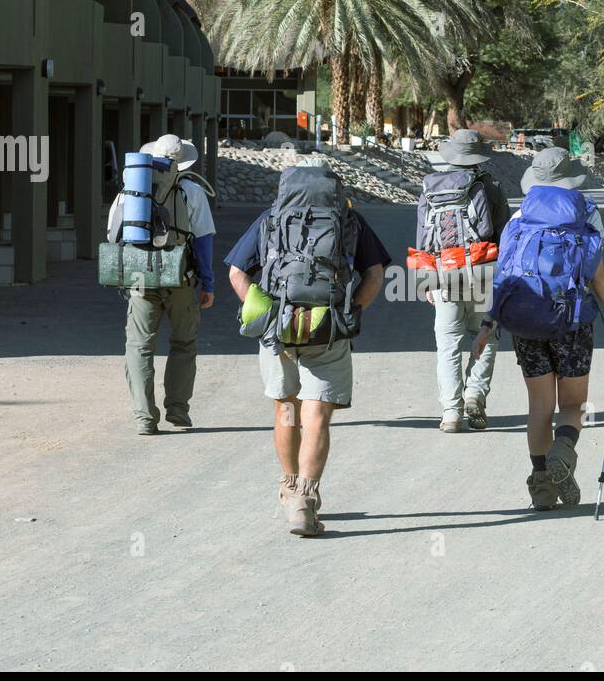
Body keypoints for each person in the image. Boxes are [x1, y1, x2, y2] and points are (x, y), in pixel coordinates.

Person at [225, 158, 390, 537]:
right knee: (316, 416)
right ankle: (306, 499)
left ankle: (288, 486)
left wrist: (263, 312)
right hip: (328, 328)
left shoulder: (271, 219)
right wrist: (351, 313)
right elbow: (376, 273)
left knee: (286, 409)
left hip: (278, 330)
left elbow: (236, 271)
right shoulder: (349, 221)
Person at [475, 147, 604, 510]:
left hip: (526, 322)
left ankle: (542, 487)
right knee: (573, 403)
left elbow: (504, 275)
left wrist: (487, 323)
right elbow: (596, 274)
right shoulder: (585, 213)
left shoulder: (519, 218)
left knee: (539, 407)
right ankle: (563, 450)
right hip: (572, 323)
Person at [107, 134, 216, 436]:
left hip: (140, 280)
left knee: (139, 347)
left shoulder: (132, 191)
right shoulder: (192, 190)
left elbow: (112, 234)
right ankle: (178, 411)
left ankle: (144, 418)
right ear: (182, 163)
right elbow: (204, 241)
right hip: (180, 278)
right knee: (183, 344)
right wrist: (207, 283)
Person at [415, 129, 511, 433]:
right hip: (482, 272)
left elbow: (422, 241)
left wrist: (427, 280)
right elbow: (504, 236)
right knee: (487, 336)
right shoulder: (490, 186)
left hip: (443, 274)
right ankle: (475, 395)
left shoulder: (431, 188)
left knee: (447, 345)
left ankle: (451, 412)